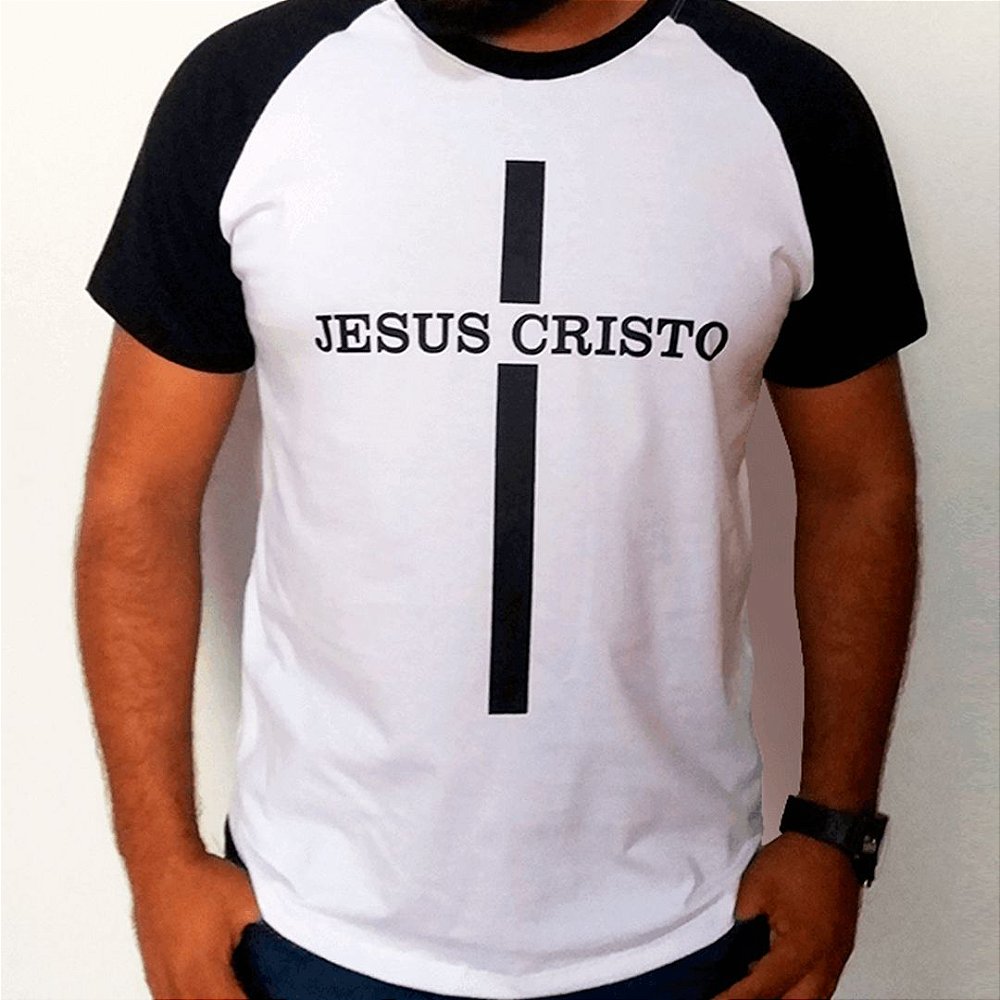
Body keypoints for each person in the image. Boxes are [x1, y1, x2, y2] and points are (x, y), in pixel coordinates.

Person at [74, 0, 926, 997]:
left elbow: (861, 489)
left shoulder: (783, 105)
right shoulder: (248, 89)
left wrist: (834, 833)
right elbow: (138, 497)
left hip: (686, 925)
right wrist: (159, 864)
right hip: (312, 924)